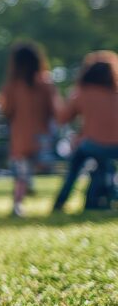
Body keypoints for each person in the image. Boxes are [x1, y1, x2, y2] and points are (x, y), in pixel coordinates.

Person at [51, 51, 118, 213]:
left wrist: (54, 97)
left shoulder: (82, 93)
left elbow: (62, 118)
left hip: (92, 144)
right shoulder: (115, 94)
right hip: (116, 146)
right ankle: (107, 198)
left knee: (74, 168)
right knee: (104, 166)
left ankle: (60, 203)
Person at [0, 42, 58, 216]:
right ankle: (54, 202)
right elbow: (54, 110)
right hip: (42, 136)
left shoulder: (12, 86)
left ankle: (18, 203)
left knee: (22, 175)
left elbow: (6, 111)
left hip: (21, 137)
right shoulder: (46, 83)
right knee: (46, 169)